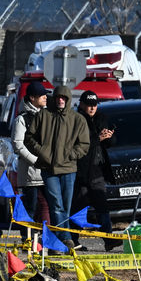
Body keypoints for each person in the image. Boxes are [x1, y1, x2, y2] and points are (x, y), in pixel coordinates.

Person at [24, 85, 90, 251]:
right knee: (56, 205)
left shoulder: (77, 119)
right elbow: (29, 137)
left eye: (64, 98)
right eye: (58, 97)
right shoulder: (43, 115)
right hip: (48, 168)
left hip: (69, 169)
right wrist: (42, 152)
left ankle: (57, 243)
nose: (61, 100)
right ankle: (66, 239)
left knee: (65, 206)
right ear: (54, 98)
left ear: (68, 100)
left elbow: (84, 145)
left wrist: (70, 155)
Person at [71, 90, 122, 251]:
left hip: (98, 169)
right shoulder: (77, 119)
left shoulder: (101, 118)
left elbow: (110, 143)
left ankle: (108, 238)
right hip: (82, 169)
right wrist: (98, 138)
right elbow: (79, 144)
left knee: (102, 205)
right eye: (89, 105)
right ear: (82, 105)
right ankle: (72, 239)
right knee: (78, 206)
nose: (92, 108)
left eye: (94, 105)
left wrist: (109, 136)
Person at [12, 81, 51, 233]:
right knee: (30, 205)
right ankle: (27, 237)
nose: (45, 98)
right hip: (30, 173)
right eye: (42, 95)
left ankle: (46, 236)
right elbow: (18, 145)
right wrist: (35, 160)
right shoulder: (22, 119)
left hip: (47, 171)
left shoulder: (48, 116)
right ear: (32, 98)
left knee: (46, 204)